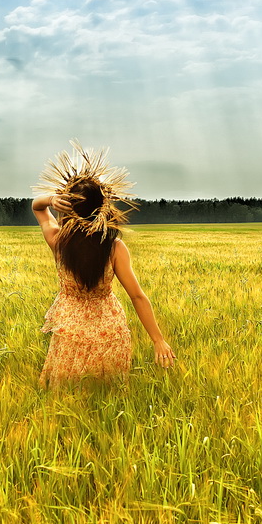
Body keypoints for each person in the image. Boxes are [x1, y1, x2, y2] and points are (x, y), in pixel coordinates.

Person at [31, 141, 176, 389]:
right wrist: (158, 340)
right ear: (103, 207)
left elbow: (37, 206)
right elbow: (137, 297)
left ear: (67, 208)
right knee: (108, 393)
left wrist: (52, 199)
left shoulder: (57, 241)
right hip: (109, 333)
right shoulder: (114, 247)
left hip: (70, 332)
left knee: (67, 393)